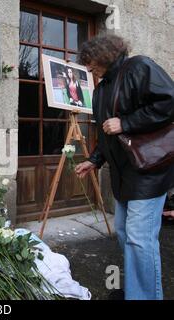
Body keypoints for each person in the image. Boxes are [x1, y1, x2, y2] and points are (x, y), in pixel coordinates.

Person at [75, 34, 174, 300]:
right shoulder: (101, 89)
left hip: (149, 171)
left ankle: (143, 295)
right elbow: (107, 131)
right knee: (123, 231)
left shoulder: (139, 66)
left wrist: (127, 122)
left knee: (140, 239)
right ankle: (135, 288)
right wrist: (94, 160)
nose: (87, 67)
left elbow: (170, 102)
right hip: (124, 174)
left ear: (105, 54)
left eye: (90, 61)